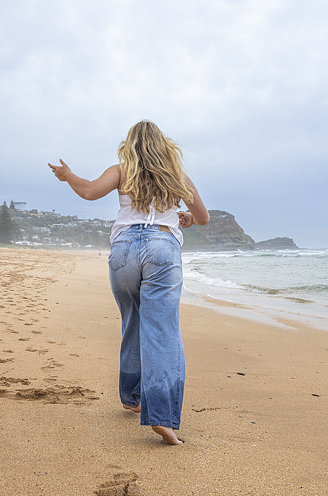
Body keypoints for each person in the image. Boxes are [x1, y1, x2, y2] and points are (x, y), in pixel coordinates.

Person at [48, 120, 209, 445]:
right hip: (161, 248)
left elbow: (90, 191)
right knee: (162, 330)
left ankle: (132, 396)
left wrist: (68, 176)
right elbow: (203, 218)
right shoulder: (178, 176)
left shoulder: (121, 170)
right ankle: (161, 416)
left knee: (133, 320)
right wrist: (187, 217)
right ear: (164, 146)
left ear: (131, 145)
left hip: (123, 251)